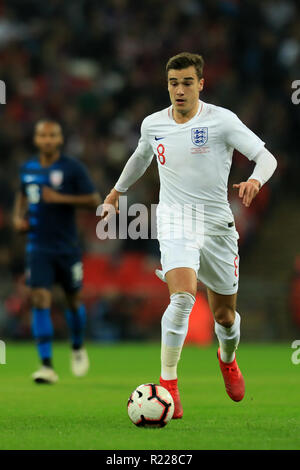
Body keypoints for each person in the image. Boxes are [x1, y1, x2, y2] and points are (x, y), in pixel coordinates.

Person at [101, 52, 277, 418]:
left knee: (225, 317)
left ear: (201, 83)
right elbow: (140, 156)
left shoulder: (222, 121)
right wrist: (117, 190)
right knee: (181, 298)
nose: (179, 90)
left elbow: (266, 157)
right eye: (173, 83)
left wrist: (256, 180)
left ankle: (227, 360)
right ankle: (169, 386)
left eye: (186, 82)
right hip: (176, 221)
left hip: (217, 226)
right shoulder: (153, 124)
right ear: (167, 85)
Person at [13, 120, 101, 384]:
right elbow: (22, 194)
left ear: (59, 139)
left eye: (53, 135)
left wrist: (61, 199)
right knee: (40, 298)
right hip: (38, 247)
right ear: (37, 139)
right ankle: (46, 365)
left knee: (73, 301)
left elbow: (94, 200)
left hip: (67, 248)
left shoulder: (72, 168)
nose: (48, 139)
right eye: (43, 135)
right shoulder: (27, 168)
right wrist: (18, 218)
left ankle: (76, 346)